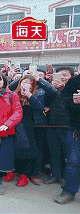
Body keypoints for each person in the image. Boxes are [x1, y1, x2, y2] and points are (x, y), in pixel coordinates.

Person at [54, 74, 80, 204]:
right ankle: (69, 191)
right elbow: (64, 100)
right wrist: (73, 101)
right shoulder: (75, 81)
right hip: (76, 128)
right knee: (73, 163)